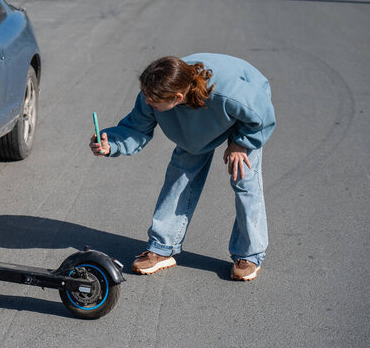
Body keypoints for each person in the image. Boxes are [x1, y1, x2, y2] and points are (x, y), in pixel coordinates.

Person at [89, 53, 275, 281]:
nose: (147, 102)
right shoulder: (153, 92)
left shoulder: (232, 95)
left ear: (177, 98)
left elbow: (261, 117)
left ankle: (250, 254)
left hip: (246, 122)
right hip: (195, 131)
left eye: (153, 101)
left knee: (244, 179)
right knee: (180, 176)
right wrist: (112, 144)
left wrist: (241, 143)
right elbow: (136, 128)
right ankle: (163, 247)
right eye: (146, 96)